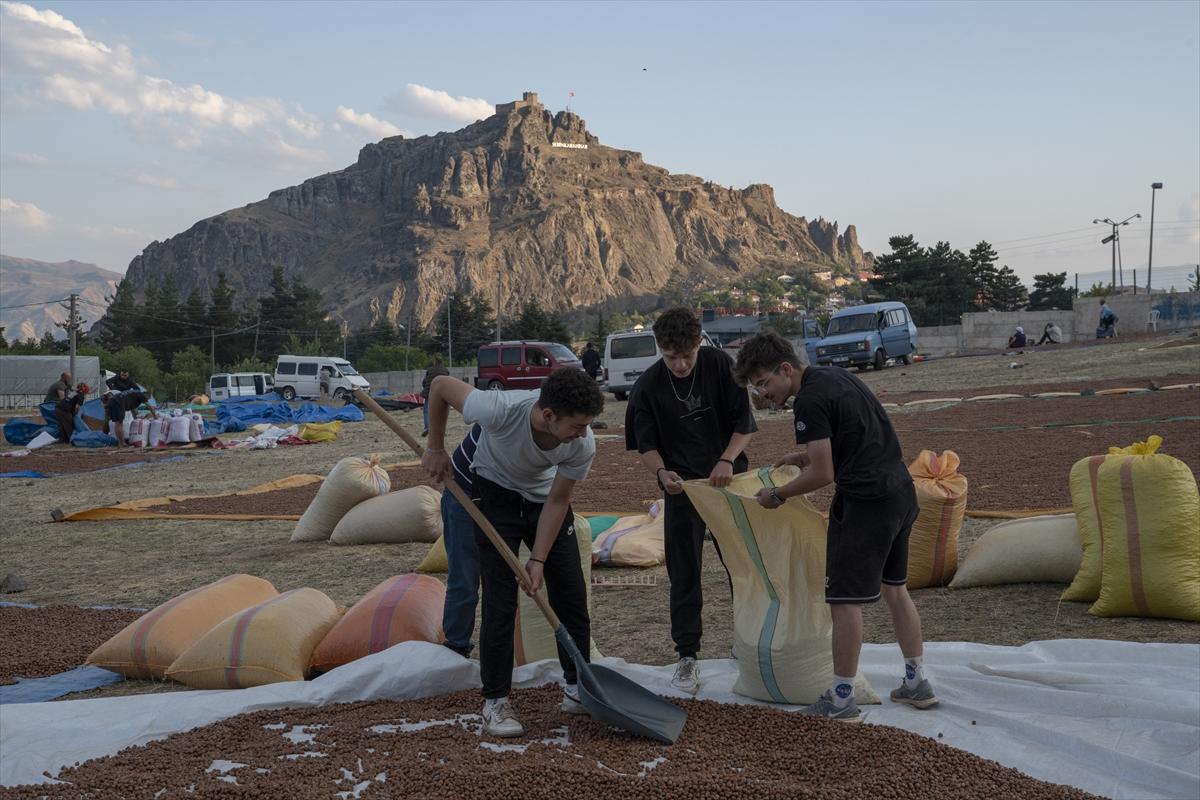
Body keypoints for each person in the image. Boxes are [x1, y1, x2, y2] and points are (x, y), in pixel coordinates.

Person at [734, 331, 936, 722]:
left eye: (763, 383)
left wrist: (779, 495)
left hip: (866, 503)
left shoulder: (807, 399)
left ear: (786, 369)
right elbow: (851, 434)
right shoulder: (833, 376)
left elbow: (823, 473)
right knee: (895, 589)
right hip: (900, 491)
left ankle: (841, 697)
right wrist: (801, 454)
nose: (762, 394)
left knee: (843, 601)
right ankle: (917, 680)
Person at [422, 367, 603, 738]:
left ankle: (577, 685)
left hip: (542, 502)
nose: (583, 434)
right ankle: (495, 700)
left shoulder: (582, 443)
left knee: (570, 594)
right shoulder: (498, 409)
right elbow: (440, 386)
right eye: (577, 425)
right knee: (501, 600)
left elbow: (558, 499)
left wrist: (537, 559)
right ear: (548, 415)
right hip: (495, 497)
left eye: (587, 425)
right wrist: (436, 447)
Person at [627, 306, 757, 695]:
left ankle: (749, 643)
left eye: (687, 355)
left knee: (743, 565)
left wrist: (726, 460)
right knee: (684, 573)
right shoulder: (648, 384)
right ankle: (687, 655)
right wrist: (661, 473)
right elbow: (644, 444)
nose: (681, 364)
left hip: (727, 482)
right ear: (660, 349)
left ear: (699, 344)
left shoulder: (720, 365)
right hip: (682, 488)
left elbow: (744, 425)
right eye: (671, 357)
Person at [441, 423, 483, 658]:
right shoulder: (503, 415)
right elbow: (441, 385)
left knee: (503, 579)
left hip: (509, 493)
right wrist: (435, 448)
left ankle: (501, 648)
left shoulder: (575, 440)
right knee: (465, 576)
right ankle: (456, 647)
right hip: (463, 492)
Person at [420, 358, 449, 437]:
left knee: (426, 411)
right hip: (442, 394)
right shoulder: (446, 371)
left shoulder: (430, 370)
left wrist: (425, 388)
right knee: (441, 413)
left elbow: (424, 382)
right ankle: (441, 429)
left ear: (435, 362)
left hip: (429, 393)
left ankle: (427, 427)